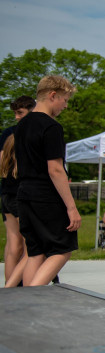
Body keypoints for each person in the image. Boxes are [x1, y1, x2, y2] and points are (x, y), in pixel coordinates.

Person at [14, 76, 80, 287]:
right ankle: (34, 296)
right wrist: (71, 207)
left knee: (35, 252)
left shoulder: (22, 125)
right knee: (62, 249)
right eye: (64, 100)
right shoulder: (51, 127)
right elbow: (55, 169)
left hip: (24, 194)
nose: (65, 106)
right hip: (45, 196)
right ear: (53, 95)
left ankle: (26, 304)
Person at [1, 96, 35, 286]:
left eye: (19, 113)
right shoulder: (29, 132)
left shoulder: (7, 133)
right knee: (28, 244)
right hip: (20, 192)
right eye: (16, 113)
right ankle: (14, 285)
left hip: (6, 192)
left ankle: (9, 285)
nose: (16, 117)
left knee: (12, 243)